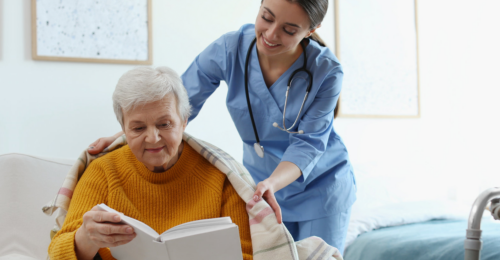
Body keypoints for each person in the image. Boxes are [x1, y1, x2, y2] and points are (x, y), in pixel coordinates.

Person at [88, 0, 356, 254]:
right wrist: (125, 136)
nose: (271, 34)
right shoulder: (232, 48)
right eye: (266, 17)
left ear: (311, 30)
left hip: (321, 187)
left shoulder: (327, 71)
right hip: (259, 182)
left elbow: (308, 143)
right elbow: (177, 106)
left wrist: (273, 183)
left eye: (289, 30)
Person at [49, 67, 253, 260]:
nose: (153, 138)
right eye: (138, 128)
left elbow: (248, 255)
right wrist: (85, 237)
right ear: (123, 129)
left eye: (164, 124)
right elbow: (56, 254)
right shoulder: (103, 171)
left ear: (184, 121)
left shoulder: (221, 176)